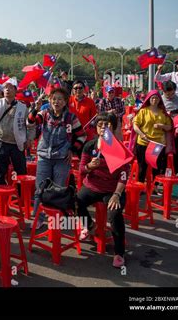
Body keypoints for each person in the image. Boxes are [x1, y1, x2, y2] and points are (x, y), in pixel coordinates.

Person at [77, 113, 128, 268]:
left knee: (114, 214)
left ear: (113, 127)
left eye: (107, 125)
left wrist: (117, 195)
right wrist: (90, 167)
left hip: (112, 189)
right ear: (96, 128)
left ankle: (119, 252)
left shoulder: (119, 148)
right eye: (100, 125)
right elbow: (81, 170)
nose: (103, 127)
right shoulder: (90, 146)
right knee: (75, 202)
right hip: (92, 186)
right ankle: (90, 226)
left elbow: (124, 176)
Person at [28, 87, 86, 216]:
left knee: (58, 189)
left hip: (62, 159)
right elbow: (30, 122)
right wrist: (36, 108)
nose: (56, 102)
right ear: (49, 100)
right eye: (54, 99)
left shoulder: (71, 118)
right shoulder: (44, 114)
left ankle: (55, 216)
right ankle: (39, 216)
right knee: (40, 188)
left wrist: (72, 149)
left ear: (65, 102)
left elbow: (82, 136)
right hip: (44, 157)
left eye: (60, 99)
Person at [0, 77, 35, 185]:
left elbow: (31, 125)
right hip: (1, 142)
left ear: (15, 90)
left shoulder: (23, 107)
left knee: (21, 173)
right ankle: (2, 199)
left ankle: (22, 196)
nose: (7, 90)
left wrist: (29, 139)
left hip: (17, 144)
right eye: (5, 87)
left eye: (10, 87)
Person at [132, 90, 173, 182]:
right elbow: (135, 125)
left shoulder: (163, 113)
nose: (154, 100)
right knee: (142, 166)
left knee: (157, 166)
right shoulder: (143, 111)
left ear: (159, 100)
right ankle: (140, 184)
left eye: (156, 98)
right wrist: (142, 135)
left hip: (158, 144)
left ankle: (155, 185)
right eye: (152, 98)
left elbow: (170, 127)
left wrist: (161, 126)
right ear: (149, 99)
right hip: (143, 142)